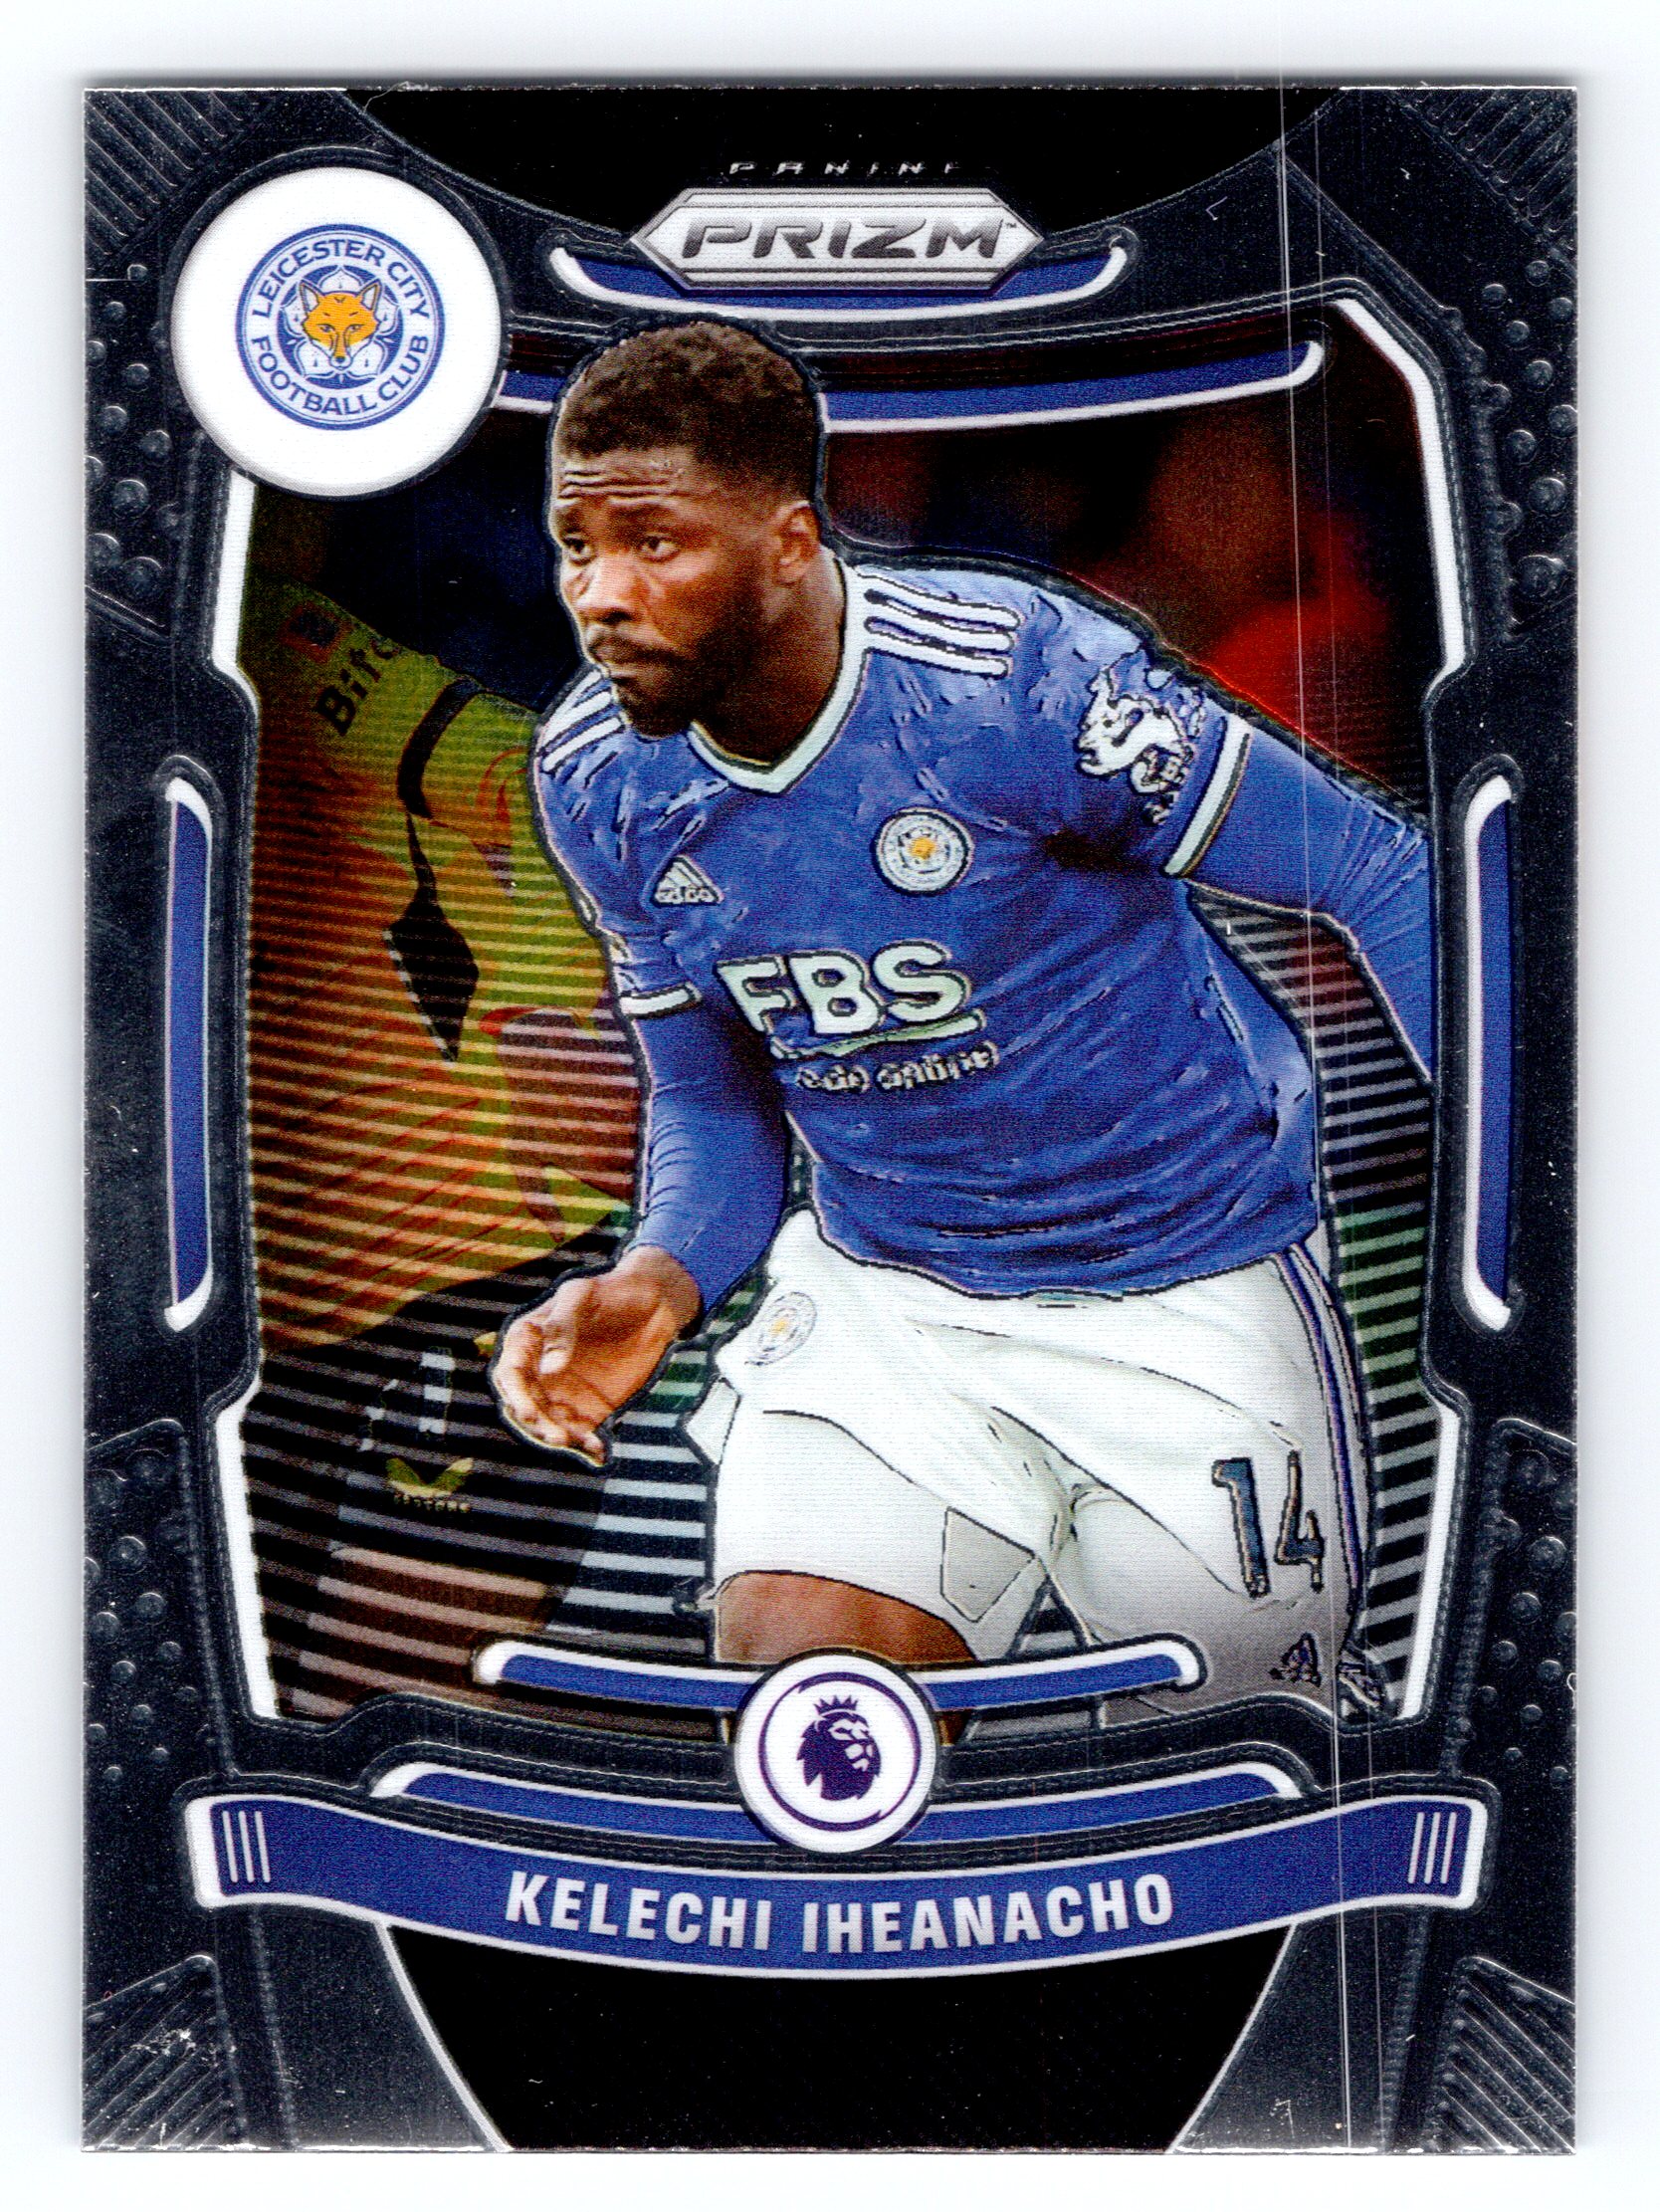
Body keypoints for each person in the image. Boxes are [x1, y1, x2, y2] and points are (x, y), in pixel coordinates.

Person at [492, 320, 1432, 1715]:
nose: (601, 595)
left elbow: (1377, 871)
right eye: (578, 544)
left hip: (1185, 1283)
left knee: (1230, 1770)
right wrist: (663, 1276)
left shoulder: (1009, 683)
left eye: (654, 543)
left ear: (791, 544)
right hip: (893, 1301)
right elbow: (712, 1096)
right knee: (813, 1718)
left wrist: (1537, 1189)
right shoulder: (598, 777)